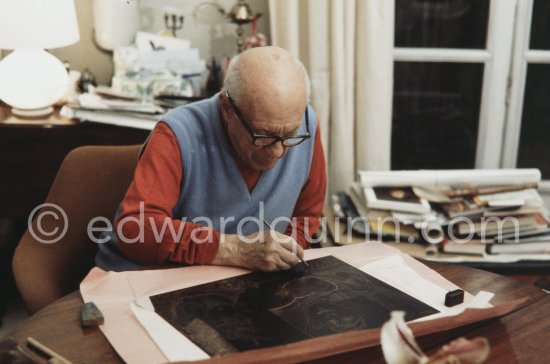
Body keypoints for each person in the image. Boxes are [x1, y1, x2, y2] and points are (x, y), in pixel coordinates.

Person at [96, 46, 326, 272]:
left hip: (231, 284)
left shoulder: (307, 123)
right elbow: (136, 230)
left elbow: (307, 215)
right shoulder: (176, 134)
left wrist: (283, 255)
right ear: (227, 109)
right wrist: (235, 250)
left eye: (290, 134)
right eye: (262, 136)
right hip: (145, 278)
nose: (278, 151)